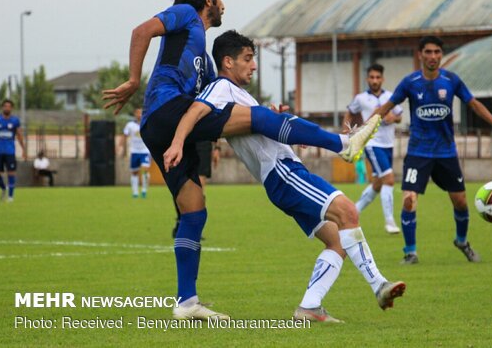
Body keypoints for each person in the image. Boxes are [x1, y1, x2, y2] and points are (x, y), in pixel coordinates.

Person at [102, 0, 380, 321]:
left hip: (161, 127)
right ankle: (343, 144)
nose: (223, 4)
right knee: (258, 118)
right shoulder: (185, 14)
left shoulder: (205, 63)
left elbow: (217, 103)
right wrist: (132, 80)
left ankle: (186, 302)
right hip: (168, 110)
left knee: (194, 208)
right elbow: (141, 31)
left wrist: (270, 119)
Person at [163, 30, 405, 322]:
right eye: (248, 59)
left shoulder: (239, 95)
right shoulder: (220, 87)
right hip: (283, 173)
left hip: (282, 176)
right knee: (348, 212)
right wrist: (177, 142)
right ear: (227, 61)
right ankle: (379, 285)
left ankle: (309, 307)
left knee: (337, 241)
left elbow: (258, 127)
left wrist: (280, 124)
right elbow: (194, 110)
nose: (254, 65)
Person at [376, 36, 492, 264]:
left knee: (461, 202)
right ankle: (410, 252)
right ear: (420, 55)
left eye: (437, 52)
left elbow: (473, 104)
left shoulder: (451, 80)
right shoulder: (410, 82)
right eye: (428, 52)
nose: (433, 56)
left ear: (441, 55)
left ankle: (462, 241)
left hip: (446, 152)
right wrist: (363, 130)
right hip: (418, 152)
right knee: (409, 200)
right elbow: (386, 107)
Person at [345, 64, 403, 234]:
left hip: (388, 144)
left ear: (382, 79)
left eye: (378, 77)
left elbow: (399, 116)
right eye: (372, 77)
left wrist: (393, 118)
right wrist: (346, 131)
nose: (375, 80)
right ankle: (390, 222)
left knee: (378, 184)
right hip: (372, 143)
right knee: (389, 179)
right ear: (367, 79)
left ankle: (352, 212)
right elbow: (349, 112)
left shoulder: (390, 96)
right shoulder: (361, 98)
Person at [171, 140, 220, 238]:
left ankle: (195, 227)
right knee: (181, 186)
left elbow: (217, 130)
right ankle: (181, 221)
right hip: (184, 142)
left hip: (203, 143)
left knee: (199, 188)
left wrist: (217, 148)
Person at [0, 99, 26, 202]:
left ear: (11, 108)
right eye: (5, 106)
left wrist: (23, 149)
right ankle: (3, 188)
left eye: (9, 106)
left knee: (11, 173)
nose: (7, 108)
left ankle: (11, 197)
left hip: (10, 152)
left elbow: (19, 135)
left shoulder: (15, 121)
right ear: (2, 107)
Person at [121, 108, 151, 198]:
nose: (139, 115)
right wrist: (123, 149)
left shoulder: (147, 123)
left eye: (141, 113)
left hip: (145, 151)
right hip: (134, 151)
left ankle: (144, 190)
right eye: (138, 113)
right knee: (134, 172)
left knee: (145, 169)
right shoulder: (130, 125)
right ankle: (135, 192)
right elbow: (125, 136)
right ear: (135, 114)